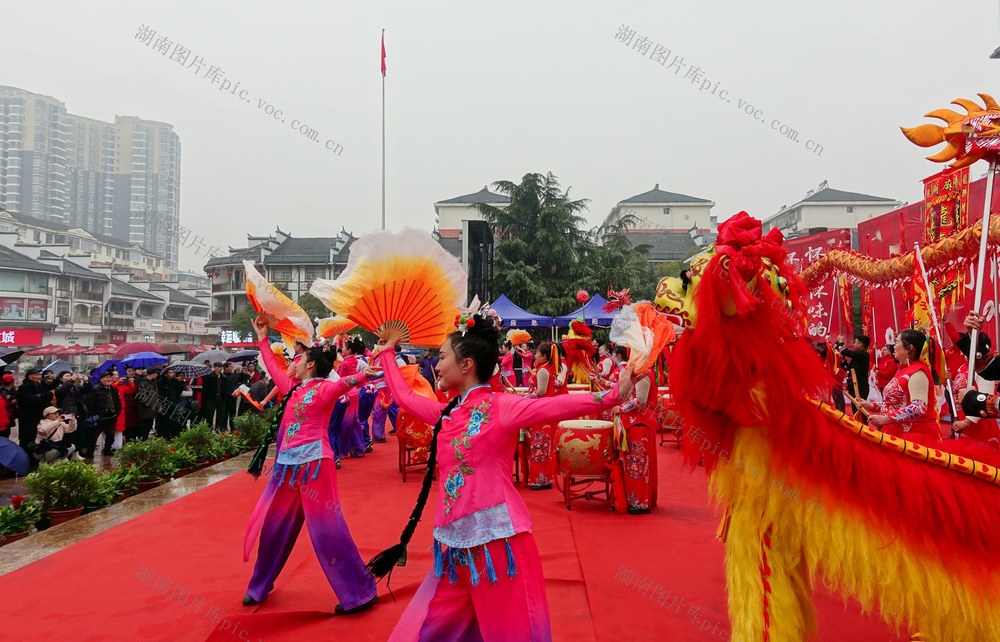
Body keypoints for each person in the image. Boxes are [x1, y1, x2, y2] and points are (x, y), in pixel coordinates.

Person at [366, 311, 636, 640]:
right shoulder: (446, 414)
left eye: (442, 356)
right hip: (453, 543)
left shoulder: (500, 406)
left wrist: (611, 396)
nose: (436, 365)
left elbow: (554, 407)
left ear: (466, 365)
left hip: (497, 542)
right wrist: (385, 353)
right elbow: (406, 399)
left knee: (508, 631)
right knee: (435, 628)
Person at [242, 317, 377, 614]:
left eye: (299, 358)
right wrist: (262, 338)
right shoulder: (291, 388)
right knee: (274, 527)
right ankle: (260, 585)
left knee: (328, 530)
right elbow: (273, 366)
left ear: (311, 365)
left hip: (316, 465)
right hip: (287, 467)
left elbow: (347, 382)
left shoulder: (324, 390)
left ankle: (358, 592)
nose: (294, 361)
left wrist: (365, 374)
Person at [859, 329, 941, 445]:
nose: (893, 346)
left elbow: (919, 407)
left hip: (913, 440)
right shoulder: (904, 369)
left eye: (897, 342)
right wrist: (872, 406)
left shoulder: (918, 372)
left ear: (909, 348)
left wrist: (886, 419)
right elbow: (898, 402)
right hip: (896, 436)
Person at [612, 363, 659, 514]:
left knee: (637, 465)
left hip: (640, 423)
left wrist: (621, 409)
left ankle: (640, 502)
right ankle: (638, 499)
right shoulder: (639, 371)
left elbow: (640, 400)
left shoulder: (643, 373)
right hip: (634, 422)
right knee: (635, 464)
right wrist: (605, 383)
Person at [523, 342, 566, 490]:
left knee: (540, 445)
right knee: (541, 445)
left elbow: (540, 392)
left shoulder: (543, 371)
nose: (535, 355)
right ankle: (542, 479)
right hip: (543, 411)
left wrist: (524, 398)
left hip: (542, 412)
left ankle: (541, 480)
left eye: (537, 353)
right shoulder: (544, 369)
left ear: (545, 356)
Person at [16, 368, 50, 454]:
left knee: (38, 436)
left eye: (40, 375)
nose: (39, 377)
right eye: (37, 375)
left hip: (39, 415)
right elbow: (30, 400)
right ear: (30, 377)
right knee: (27, 438)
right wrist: (42, 396)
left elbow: (48, 394)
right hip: (27, 417)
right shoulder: (23, 387)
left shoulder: (41, 385)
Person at [91, 369, 122, 456]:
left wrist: (117, 412)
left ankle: (107, 450)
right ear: (101, 379)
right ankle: (90, 453)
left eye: (110, 377)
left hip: (111, 416)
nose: (109, 379)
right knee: (94, 437)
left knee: (111, 435)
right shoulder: (95, 389)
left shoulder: (113, 389)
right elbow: (90, 403)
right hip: (99, 417)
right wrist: (94, 414)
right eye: (107, 377)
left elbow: (118, 402)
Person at [840, 335, 871, 408]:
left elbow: (844, 351)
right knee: (855, 408)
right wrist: (843, 360)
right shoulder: (858, 357)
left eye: (855, 343)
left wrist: (841, 342)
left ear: (860, 345)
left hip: (860, 387)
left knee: (859, 409)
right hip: (853, 386)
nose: (854, 344)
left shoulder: (863, 354)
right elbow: (848, 368)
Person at [135, 368, 159, 442]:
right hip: (145, 410)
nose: (157, 375)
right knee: (144, 428)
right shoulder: (143, 383)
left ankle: (144, 441)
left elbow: (156, 396)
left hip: (152, 410)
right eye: (156, 373)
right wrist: (150, 405)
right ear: (153, 374)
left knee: (148, 426)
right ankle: (141, 442)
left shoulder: (153, 383)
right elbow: (142, 397)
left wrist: (157, 406)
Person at [200, 362, 227, 429]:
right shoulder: (209, 376)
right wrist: (209, 397)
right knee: (210, 415)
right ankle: (209, 429)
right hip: (211, 398)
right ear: (214, 368)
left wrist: (224, 396)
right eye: (217, 367)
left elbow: (226, 387)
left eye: (220, 367)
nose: (219, 369)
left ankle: (218, 429)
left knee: (220, 415)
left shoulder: (223, 377)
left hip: (221, 398)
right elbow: (205, 389)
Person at [0, 374, 17, 440]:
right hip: (6, 418)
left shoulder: (11, 390)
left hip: (6, 420)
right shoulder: (3, 392)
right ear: (11, 382)